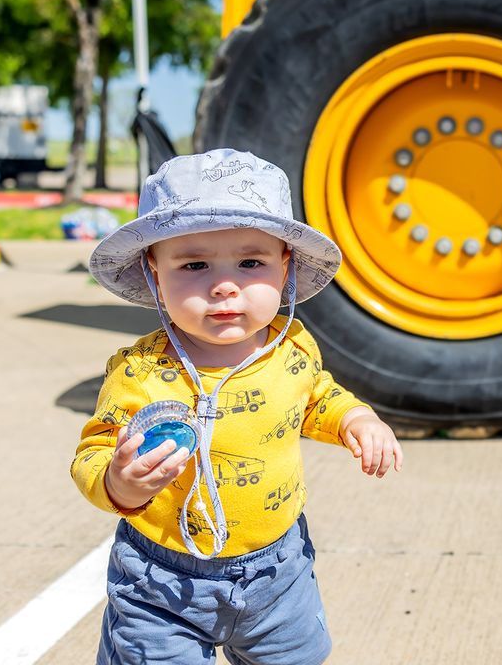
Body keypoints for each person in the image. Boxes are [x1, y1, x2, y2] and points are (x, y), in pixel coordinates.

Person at [73, 148, 403, 664]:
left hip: (278, 569)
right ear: (154, 271)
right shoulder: (137, 370)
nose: (224, 285)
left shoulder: (290, 345)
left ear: (285, 268)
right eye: (194, 264)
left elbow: (316, 395)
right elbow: (93, 451)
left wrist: (356, 418)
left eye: (251, 263)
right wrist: (118, 481)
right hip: (161, 580)